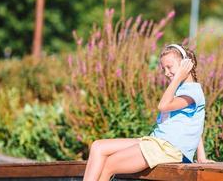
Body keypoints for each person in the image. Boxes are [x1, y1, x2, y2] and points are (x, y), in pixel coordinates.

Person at [83, 44, 214, 181]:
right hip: (157, 142)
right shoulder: (181, 89)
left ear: (186, 65)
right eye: (163, 69)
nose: (166, 73)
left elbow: (163, 106)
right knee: (98, 146)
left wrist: (177, 78)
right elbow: (194, 125)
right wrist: (201, 156)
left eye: (169, 67)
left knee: (109, 164)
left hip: (169, 149)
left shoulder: (192, 92)